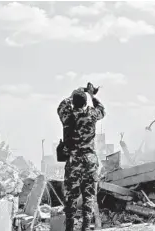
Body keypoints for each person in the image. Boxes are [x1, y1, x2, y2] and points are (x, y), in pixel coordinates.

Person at [57, 85, 105, 231]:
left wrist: (72, 95)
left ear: (73, 102)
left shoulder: (67, 115)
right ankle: (85, 227)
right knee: (89, 196)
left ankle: (70, 227)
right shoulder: (91, 115)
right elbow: (102, 110)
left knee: (71, 196)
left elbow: (61, 106)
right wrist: (91, 94)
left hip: (73, 161)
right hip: (90, 161)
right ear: (85, 104)